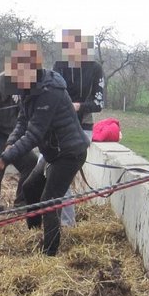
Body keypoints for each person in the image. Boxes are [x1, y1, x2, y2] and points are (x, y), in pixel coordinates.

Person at [0, 44, 89, 256]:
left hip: (69, 153)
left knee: (49, 201)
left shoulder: (49, 92)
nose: (15, 79)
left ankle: (50, 253)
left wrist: (6, 158)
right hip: (53, 151)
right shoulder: (28, 89)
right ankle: (34, 233)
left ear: (32, 70)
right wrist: (10, 142)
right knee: (30, 187)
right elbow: (22, 122)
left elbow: (34, 134)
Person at [51, 29, 105, 227]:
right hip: (60, 127)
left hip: (82, 129)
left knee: (62, 175)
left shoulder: (95, 68)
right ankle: (44, 215)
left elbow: (98, 103)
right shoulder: (59, 66)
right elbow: (52, 92)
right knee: (44, 169)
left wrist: (79, 106)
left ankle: (66, 223)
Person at [0, 54, 39, 215]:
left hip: (12, 134)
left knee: (31, 162)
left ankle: (21, 204)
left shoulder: (31, 86)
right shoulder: (5, 78)